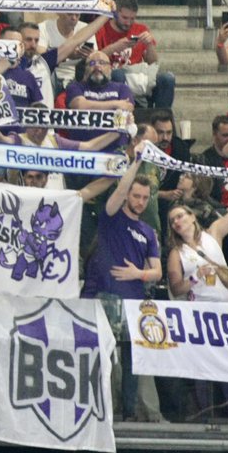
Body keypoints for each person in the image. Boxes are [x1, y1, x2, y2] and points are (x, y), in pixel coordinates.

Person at [80, 142, 161, 422]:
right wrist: (136, 162)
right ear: (129, 196)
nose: (139, 201)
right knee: (101, 356)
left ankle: (127, 413)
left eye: (144, 198)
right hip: (107, 297)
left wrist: (138, 274)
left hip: (135, 301)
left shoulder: (149, 231)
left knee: (131, 362)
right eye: (136, 196)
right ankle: (98, 409)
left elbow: (157, 272)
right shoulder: (111, 217)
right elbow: (117, 191)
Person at [166, 187, 228, 423]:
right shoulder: (177, 253)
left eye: (181, 216)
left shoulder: (213, 234)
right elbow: (175, 288)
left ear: (192, 216)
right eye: (173, 220)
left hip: (226, 307)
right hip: (200, 310)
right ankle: (205, 414)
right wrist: (195, 278)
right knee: (203, 362)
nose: (177, 222)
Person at [95, 0, 176, 109]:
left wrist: (149, 45)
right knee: (118, 74)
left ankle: (161, 118)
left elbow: (153, 63)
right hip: (112, 76)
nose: (128, 23)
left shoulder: (140, 29)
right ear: (115, 13)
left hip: (136, 76)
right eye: (125, 18)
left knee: (167, 78)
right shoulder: (102, 29)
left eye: (132, 18)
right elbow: (93, 58)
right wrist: (115, 47)